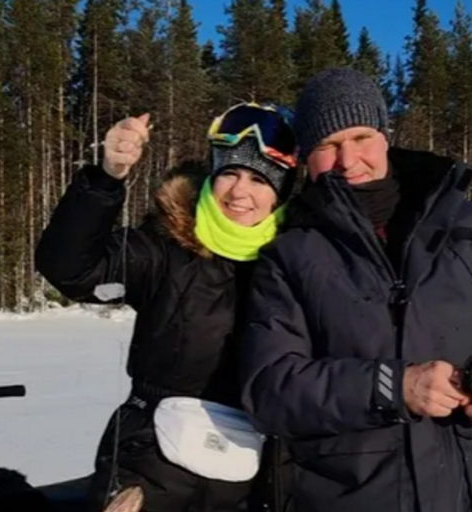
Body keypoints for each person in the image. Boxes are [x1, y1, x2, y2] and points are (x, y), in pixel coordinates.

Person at [240, 68, 472, 512]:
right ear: (305, 159)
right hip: (356, 494)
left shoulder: (469, 225)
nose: (348, 160)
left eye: (361, 138)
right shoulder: (289, 254)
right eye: (327, 146)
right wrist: (394, 387)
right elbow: (271, 387)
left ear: (384, 137)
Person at [36, 102, 297, 512]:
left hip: (254, 485)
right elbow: (71, 269)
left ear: (281, 193)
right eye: (229, 172)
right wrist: (107, 178)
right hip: (149, 474)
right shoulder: (166, 247)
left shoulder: (298, 264)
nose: (239, 191)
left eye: (259, 179)